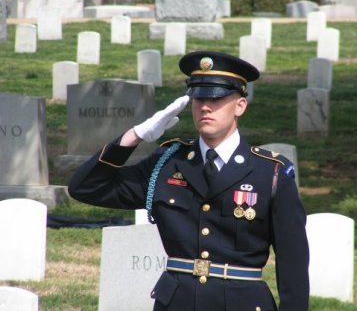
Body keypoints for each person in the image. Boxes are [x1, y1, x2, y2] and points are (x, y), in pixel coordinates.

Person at [68, 51, 309, 311]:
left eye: (217, 98)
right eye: (199, 98)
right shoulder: (167, 163)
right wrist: (134, 136)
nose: (205, 106)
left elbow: (292, 264)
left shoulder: (270, 172)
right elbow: (85, 188)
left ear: (240, 105)